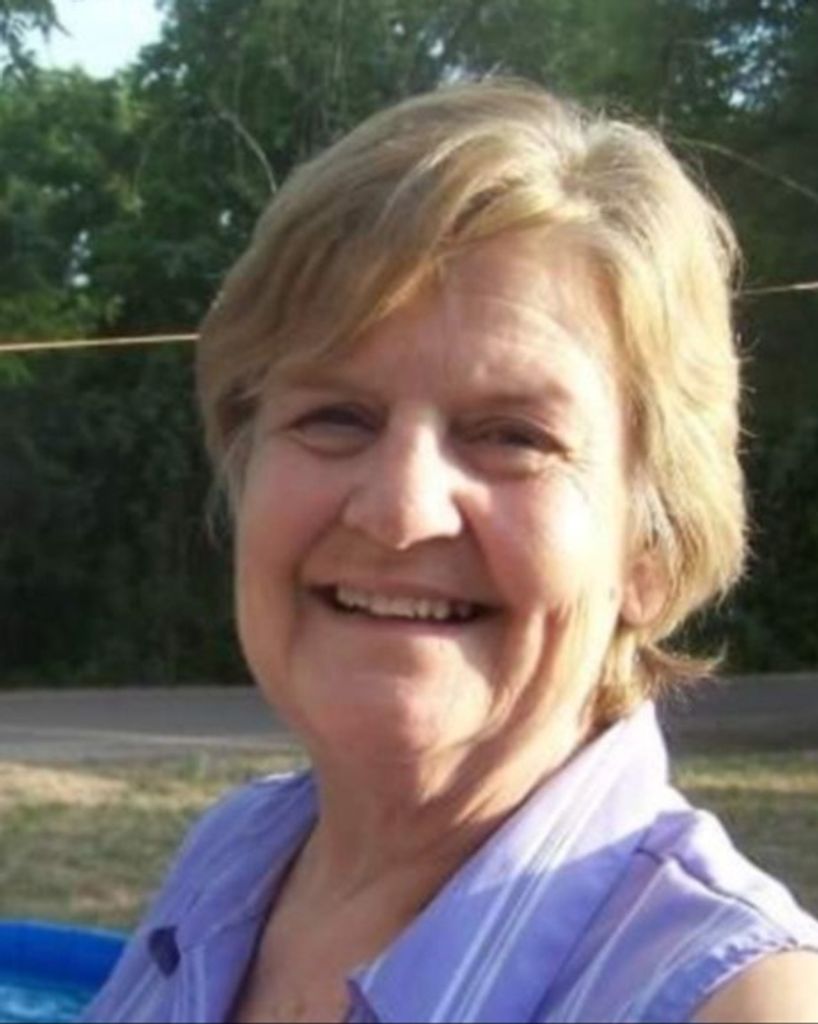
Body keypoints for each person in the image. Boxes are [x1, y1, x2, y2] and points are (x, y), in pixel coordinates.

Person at [84, 80, 818, 1024]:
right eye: (335, 417)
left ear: (653, 549)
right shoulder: (236, 856)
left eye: (513, 436)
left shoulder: (737, 1001)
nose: (399, 511)